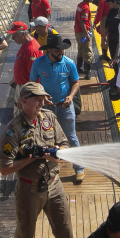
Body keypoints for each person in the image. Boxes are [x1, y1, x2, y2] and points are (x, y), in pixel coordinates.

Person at [0, 83, 72, 238]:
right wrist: (30, 158)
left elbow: (65, 144)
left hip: (55, 186)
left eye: (43, 98)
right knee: (24, 236)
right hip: (29, 191)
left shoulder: (49, 118)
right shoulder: (13, 130)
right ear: (24, 101)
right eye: (37, 99)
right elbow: (4, 169)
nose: (42, 102)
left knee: (65, 233)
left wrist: (58, 151)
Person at [29, 34, 84, 182]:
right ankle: (49, 171)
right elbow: (33, 83)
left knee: (71, 137)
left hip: (65, 106)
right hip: (46, 109)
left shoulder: (69, 63)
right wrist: (41, 97)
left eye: (62, 50)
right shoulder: (38, 63)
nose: (61, 52)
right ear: (49, 51)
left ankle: (79, 169)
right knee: (45, 139)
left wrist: (71, 97)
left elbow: (76, 82)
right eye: (58, 50)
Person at [8, 21, 42, 93]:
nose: (13, 38)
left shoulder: (31, 50)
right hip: (23, 85)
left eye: (14, 35)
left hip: (27, 88)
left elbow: (34, 75)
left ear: (23, 34)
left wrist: (26, 93)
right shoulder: (25, 44)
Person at [74, 0, 94, 79]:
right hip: (83, 32)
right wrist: (86, 34)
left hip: (77, 31)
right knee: (87, 51)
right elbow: (83, 21)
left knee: (80, 49)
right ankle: (87, 73)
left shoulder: (80, 5)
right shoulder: (85, 7)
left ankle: (78, 68)